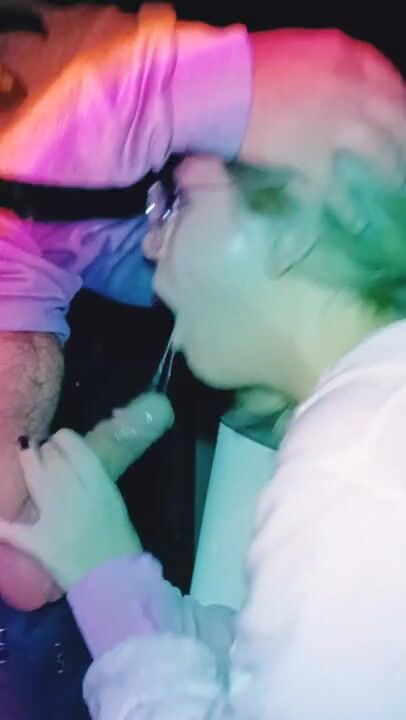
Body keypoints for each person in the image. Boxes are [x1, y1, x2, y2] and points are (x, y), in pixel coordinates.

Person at [1, 32, 406, 719]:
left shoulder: (355, 461)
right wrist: (110, 576)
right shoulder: (366, 423)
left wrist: (105, 576)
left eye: (181, 202)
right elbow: (257, 666)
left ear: (292, 228)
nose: (149, 242)